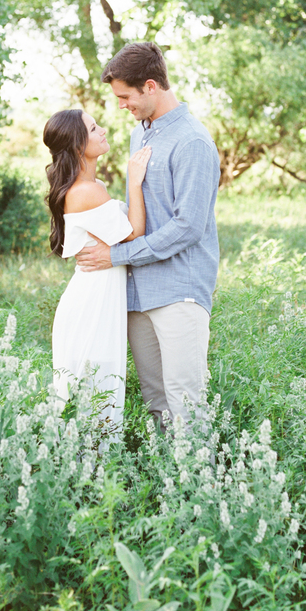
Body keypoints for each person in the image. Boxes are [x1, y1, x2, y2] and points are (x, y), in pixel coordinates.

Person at [75, 42, 220, 429]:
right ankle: (167, 486)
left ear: (151, 86)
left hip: (178, 291)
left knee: (187, 403)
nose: (122, 105)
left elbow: (188, 227)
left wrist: (116, 256)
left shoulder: (192, 142)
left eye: (125, 97)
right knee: (156, 403)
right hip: (139, 293)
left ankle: (199, 487)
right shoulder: (142, 133)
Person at [43, 108, 151, 434]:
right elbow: (134, 232)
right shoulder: (87, 192)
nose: (102, 129)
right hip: (91, 304)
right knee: (95, 391)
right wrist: (134, 179)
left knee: (98, 391)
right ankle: (86, 474)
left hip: (97, 295)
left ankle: (92, 474)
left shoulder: (93, 185)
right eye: (93, 128)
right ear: (78, 145)